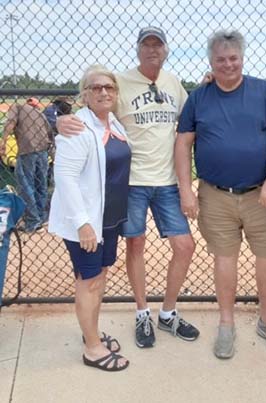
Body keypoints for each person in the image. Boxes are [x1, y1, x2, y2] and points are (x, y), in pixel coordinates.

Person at [57, 27, 199, 349]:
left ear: (165, 51)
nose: (152, 50)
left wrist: (206, 87)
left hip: (166, 182)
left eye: (157, 45)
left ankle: (168, 312)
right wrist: (59, 122)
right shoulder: (120, 82)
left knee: (185, 245)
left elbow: (192, 119)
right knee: (135, 246)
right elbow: (95, 112)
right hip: (132, 183)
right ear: (137, 51)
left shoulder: (173, 83)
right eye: (146, 45)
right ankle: (142, 312)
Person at [175, 30, 266, 359]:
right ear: (210, 62)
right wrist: (187, 190)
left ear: (242, 58)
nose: (227, 64)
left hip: (261, 194)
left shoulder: (263, 91)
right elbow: (183, 143)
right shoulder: (200, 96)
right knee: (224, 259)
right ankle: (226, 323)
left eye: (233, 58)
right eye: (220, 60)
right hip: (215, 194)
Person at [48, 65, 131, 371]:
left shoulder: (114, 123)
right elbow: (65, 177)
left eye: (109, 87)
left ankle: (91, 334)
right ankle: (93, 349)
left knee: (99, 277)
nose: (103, 92)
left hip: (108, 220)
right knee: (89, 281)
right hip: (86, 223)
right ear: (84, 94)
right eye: (95, 88)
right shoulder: (77, 128)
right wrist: (83, 223)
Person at [0, 97, 52, 233]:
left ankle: (32, 222)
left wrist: (3, 141)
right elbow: (49, 132)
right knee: (41, 185)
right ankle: (41, 218)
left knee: (25, 185)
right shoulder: (40, 113)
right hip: (43, 150)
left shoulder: (17, 107)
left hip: (27, 150)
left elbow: (10, 123)